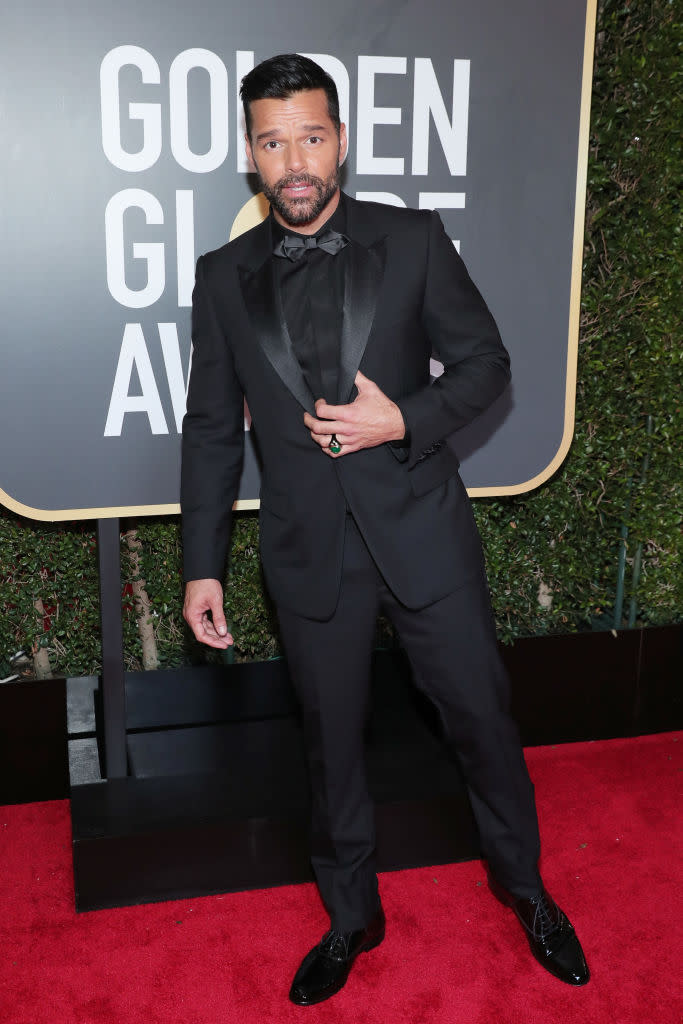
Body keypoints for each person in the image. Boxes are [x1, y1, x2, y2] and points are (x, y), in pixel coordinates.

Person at [181, 53, 589, 1005]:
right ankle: (350, 914)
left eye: (311, 137)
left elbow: (486, 365)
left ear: (342, 141)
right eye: (273, 141)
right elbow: (209, 427)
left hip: (422, 533)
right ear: (250, 153)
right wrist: (202, 566)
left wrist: (400, 418)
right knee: (331, 744)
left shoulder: (411, 241)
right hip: (305, 548)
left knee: (482, 721)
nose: (295, 161)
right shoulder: (221, 277)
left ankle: (526, 889)